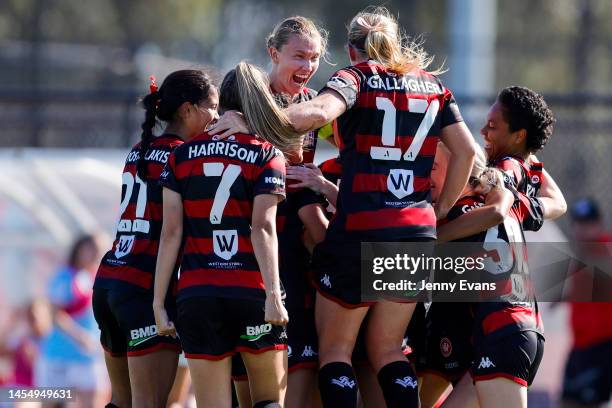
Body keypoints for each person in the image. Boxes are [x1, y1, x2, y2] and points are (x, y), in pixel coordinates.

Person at [283, 7, 476, 407]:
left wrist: (254, 119)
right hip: (415, 232)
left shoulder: (355, 77)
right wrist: (439, 208)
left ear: (352, 52)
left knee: (335, 350)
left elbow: (318, 113)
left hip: (360, 231)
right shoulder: (433, 87)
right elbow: (467, 152)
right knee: (388, 350)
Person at [154, 61, 302, 408]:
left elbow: (171, 233)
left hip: (197, 294)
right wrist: (274, 299)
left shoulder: (180, 156)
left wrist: (160, 303)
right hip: (251, 290)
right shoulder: (267, 154)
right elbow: (262, 227)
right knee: (267, 402)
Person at [209, 16, 329, 407]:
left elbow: (356, 138)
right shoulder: (246, 99)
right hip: (251, 238)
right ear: (273, 53)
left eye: (314, 58)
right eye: (299, 56)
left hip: (292, 227)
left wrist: (325, 183)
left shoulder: (317, 106)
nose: (307, 67)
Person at [93, 70, 219, 408]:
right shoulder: (185, 156)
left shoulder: (139, 150)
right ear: (188, 110)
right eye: (213, 108)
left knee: (121, 401)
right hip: (144, 290)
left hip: (108, 283)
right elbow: (176, 230)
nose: (217, 118)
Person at [36, 234, 108, 408]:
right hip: (59, 356)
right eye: (91, 248)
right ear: (79, 250)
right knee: (52, 403)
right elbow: (55, 315)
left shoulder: (97, 278)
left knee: (95, 401)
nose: (95, 254)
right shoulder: (65, 277)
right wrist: (80, 337)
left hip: (88, 357)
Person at [561, 198, 612, 408]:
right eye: (578, 223)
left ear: (599, 223)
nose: (582, 229)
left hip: (603, 344)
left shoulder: (605, 247)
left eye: (588, 223)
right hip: (580, 345)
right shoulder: (581, 255)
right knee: (567, 402)